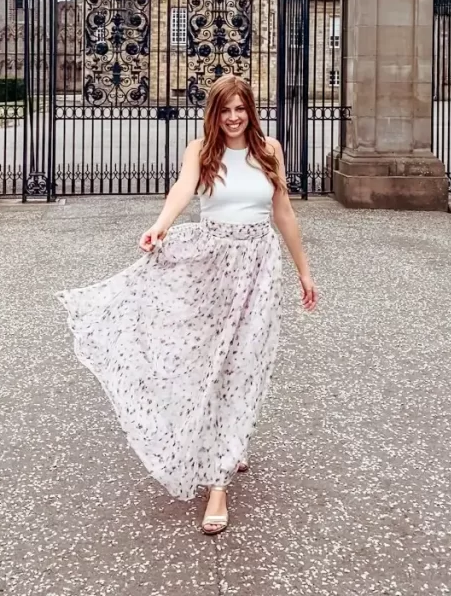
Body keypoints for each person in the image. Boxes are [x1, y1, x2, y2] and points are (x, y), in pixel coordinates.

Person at [56, 74, 317, 535]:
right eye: (225, 110)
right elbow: (182, 189)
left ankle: (220, 476)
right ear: (213, 113)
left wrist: (304, 270)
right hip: (212, 264)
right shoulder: (201, 150)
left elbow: (284, 211)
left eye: (241, 109)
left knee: (245, 363)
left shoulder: (269, 149)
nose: (233, 117)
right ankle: (220, 449)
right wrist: (160, 226)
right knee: (208, 360)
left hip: (259, 266)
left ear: (250, 110)